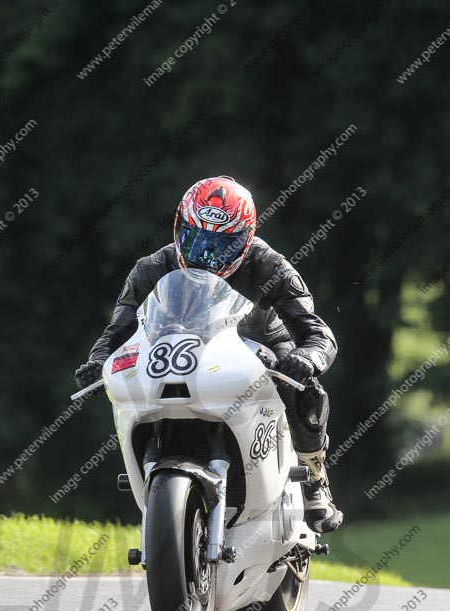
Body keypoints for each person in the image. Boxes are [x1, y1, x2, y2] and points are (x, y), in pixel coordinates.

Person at [75, 176, 343, 533]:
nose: (206, 253)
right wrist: (99, 362)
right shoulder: (151, 268)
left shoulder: (272, 267)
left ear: (246, 238)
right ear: (178, 228)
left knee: (305, 392)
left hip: (260, 346)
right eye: (195, 237)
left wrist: (308, 358)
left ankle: (313, 479)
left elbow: (317, 331)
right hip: (179, 349)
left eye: (223, 243)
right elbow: (117, 331)